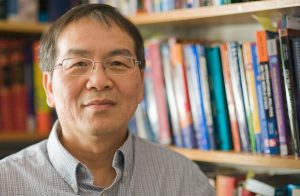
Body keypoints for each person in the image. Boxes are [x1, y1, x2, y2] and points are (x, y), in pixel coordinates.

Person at [0, 4, 214, 196]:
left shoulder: (183, 180)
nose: (99, 81)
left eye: (118, 63)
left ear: (140, 83)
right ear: (49, 88)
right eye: (78, 64)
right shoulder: (6, 182)